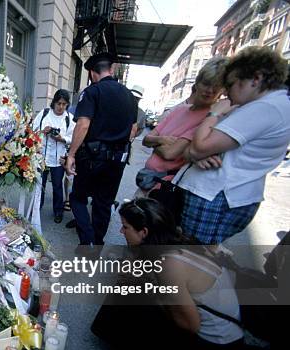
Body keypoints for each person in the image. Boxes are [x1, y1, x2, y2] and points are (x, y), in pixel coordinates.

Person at [91, 198, 244, 350]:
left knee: (138, 297)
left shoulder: (170, 264)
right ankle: (113, 336)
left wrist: (153, 295)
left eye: (125, 227)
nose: (121, 231)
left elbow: (190, 325)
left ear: (144, 232)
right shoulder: (177, 243)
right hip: (223, 345)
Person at [178, 46, 290, 244]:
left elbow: (198, 147)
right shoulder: (262, 106)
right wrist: (195, 153)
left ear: (255, 79)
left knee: (190, 258)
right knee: (191, 255)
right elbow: (192, 152)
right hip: (217, 194)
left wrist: (214, 113)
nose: (227, 92)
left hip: (216, 197)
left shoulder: (266, 108)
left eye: (230, 84)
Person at [65, 52, 138, 245]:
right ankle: (97, 244)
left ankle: (87, 240)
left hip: (92, 158)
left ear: (91, 73)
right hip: (117, 160)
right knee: (103, 203)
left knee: (77, 198)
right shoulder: (129, 95)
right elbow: (133, 129)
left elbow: (83, 125)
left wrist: (71, 155)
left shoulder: (92, 92)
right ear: (111, 69)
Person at [135, 57, 227, 197]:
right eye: (206, 83)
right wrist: (163, 140)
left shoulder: (208, 119)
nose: (210, 90)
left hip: (164, 187)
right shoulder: (179, 110)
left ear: (221, 91)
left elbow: (169, 154)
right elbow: (146, 139)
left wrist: (156, 141)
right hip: (147, 179)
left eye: (216, 87)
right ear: (197, 83)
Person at [33, 89, 76, 223]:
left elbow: (73, 137)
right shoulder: (44, 113)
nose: (61, 107)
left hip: (58, 159)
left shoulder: (69, 118)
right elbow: (33, 130)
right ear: (54, 102)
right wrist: (42, 132)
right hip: (42, 157)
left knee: (57, 186)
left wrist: (62, 139)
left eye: (64, 104)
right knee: (40, 185)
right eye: (59, 103)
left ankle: (58, 211)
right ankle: (36, 209)